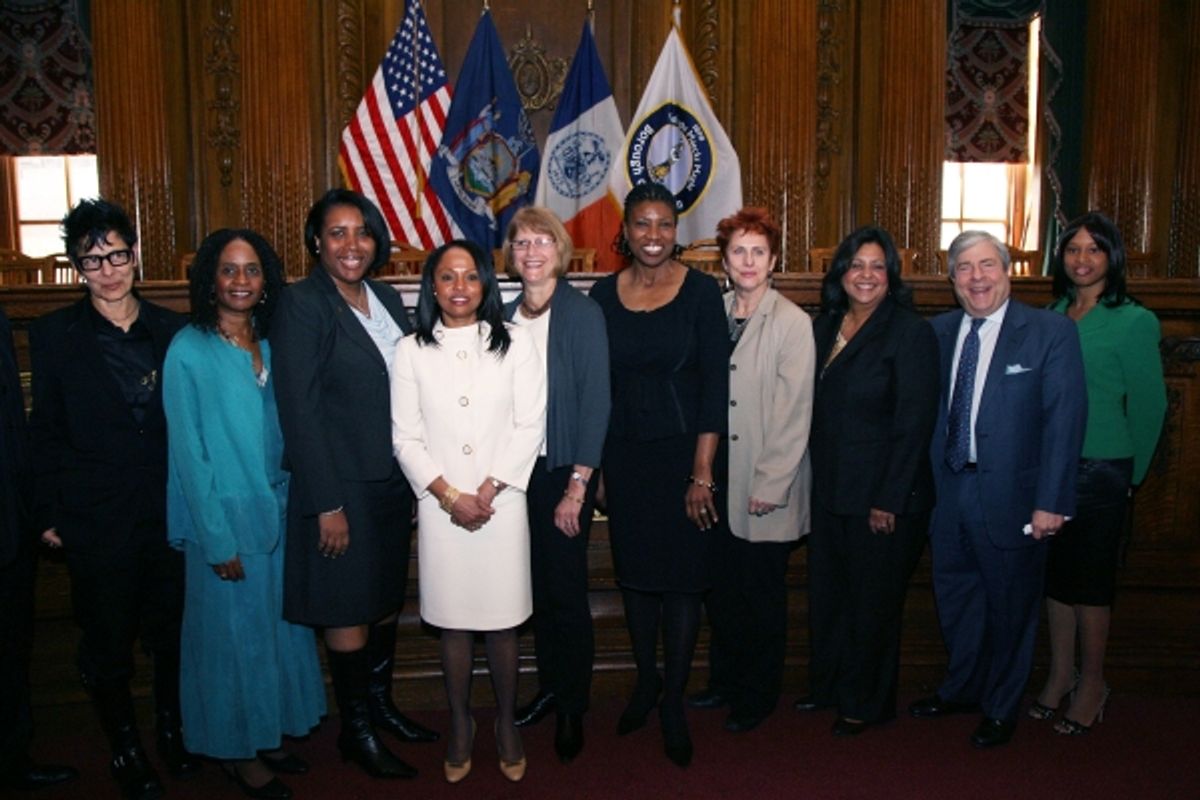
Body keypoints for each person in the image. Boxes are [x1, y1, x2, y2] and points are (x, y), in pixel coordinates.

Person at [29, 198, 199, 799]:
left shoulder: (173, 329)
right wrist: (48, 512)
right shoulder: (54, 335)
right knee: (107, 642)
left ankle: (173, 735)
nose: (108, 269)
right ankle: (126, 749)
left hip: (169, 513)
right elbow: (43, 429)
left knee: (173, 632)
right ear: (78, 267)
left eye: (117, 255)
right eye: (92, 260)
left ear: (135, 254)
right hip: (94, 518)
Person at [272, 189, 437, 781]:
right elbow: (300, 410)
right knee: (348, 605)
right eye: (337, 233)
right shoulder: (301, 305)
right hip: (340, 489)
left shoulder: (387, 296)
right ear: (316, 240)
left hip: (389, 484)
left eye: (362, 232)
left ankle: (382, 708)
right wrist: (327, 503)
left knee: (382, 602)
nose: (351, 244)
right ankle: (356, 731)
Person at [164, 229, 326, 799]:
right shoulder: (187, 349)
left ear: (267, 281)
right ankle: (236, 750)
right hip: (224, 520)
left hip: (278, 513)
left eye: (252, 270)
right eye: (229, 270)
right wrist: (215, 539)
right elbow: (189, 455)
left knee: (277, 635)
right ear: (210, 278)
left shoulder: (270, 343)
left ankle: (269, 731)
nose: (240, 281)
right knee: (230, 643)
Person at [909, 230, 1087, 748]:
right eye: (964, 268)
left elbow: (1064, 422)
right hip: (949, 493)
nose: (977, 277)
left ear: (1008, 271)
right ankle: (962, 687)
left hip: (1016, 499)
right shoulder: (937, 333)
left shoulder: (1048, 332)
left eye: (987, 265)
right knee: (957, 597)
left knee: (1011, 606)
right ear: (952, 279)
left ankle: (1001, 704)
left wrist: (1052, 501)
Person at [391, 240, 545, 784]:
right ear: (431, 287)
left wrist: (489, 486)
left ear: (486, 286)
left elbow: (531, 425)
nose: (459, 287)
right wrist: (450, 496)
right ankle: (461, 724)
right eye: (447, 277)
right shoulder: (410, 350)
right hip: (441, 507)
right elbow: (405, 437)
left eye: (470, 277)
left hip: (502, 503)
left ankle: (505, 723)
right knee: (453, 624)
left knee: (503, 625)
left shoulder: (516, 344)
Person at [591, 181, 729, 768]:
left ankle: (673, 698)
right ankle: (645, 680)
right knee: (637, 578)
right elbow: (595, 388)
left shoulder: (701, 293)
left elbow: (715, 387)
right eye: (642, 224)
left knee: (683, 582)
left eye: (664, 224)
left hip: (681, 458)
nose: (653, 235)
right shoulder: (601, 294)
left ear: (678, 231)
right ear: (625, 230)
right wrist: (592, 467)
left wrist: (702, 473)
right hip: (624, 457)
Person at [1028, 212, 1166, 735]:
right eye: (1073, 250)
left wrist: (1132, 478)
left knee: (1091, 585)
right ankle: (1061, 674)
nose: (1081, 260)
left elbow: (1150, 406)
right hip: (1051, 469)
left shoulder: (1134, 320)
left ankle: (1093, 682)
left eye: (1094, 250)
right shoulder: (1053, 313)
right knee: (1057, 582)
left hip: (1105, 468)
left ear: (1112, 258)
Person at [798, 225, 938, 736]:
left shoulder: (909, 332)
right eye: (857, 265)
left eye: (877, 266)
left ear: (891, 275)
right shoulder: (824, 326)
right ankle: (830, 687)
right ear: (840, 273)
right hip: (831, 491)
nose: (866, 275)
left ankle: (867, 702)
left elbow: (914, 422)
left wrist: (889, 499)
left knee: (872, 606)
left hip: (885, 499)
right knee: (831, 598)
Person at [686, 208, 814, 733]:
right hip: (718, 477)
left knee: (760, 596)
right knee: (722, 590)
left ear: (774, 260)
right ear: (724, 259)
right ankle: (723, 681)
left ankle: (757, 695)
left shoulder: (791, 322)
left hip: (764, 480)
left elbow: (794, 411)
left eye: (758, 251)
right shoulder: (711, 312)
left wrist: (771, 484)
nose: (748, 261)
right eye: (738, 251)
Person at [501, 208, 610, 763]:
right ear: (511, 253)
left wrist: (577, 487)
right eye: (522, 242)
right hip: (512, 478)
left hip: (563, 472)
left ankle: (572, 705)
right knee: (531, 592)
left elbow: (597, 404)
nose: (532, 251)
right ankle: (547, 686)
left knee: (565, 593)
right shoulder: (498, 315)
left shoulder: (582, 314)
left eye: (543, 241)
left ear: (559, 250)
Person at [1, 304, 78, 792]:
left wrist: (36, 509)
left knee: (10, 651)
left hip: (9, 520)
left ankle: (12, 759)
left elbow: (17, 427)